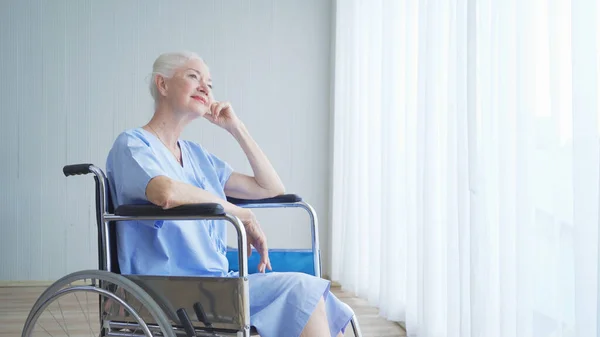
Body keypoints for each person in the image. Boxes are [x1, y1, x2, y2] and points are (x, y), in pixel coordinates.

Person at [105, 51, 354, 337]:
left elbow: (271, 188)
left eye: (209, 84)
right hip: (167, 289)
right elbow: (166, 191)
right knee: (303, 292)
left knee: (310, 295)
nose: (205, 88)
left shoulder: (197, 156)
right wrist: (238, 212)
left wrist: (236, 128)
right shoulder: (133, 144)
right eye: (193, 76)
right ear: (162, 85)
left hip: (218, 286)